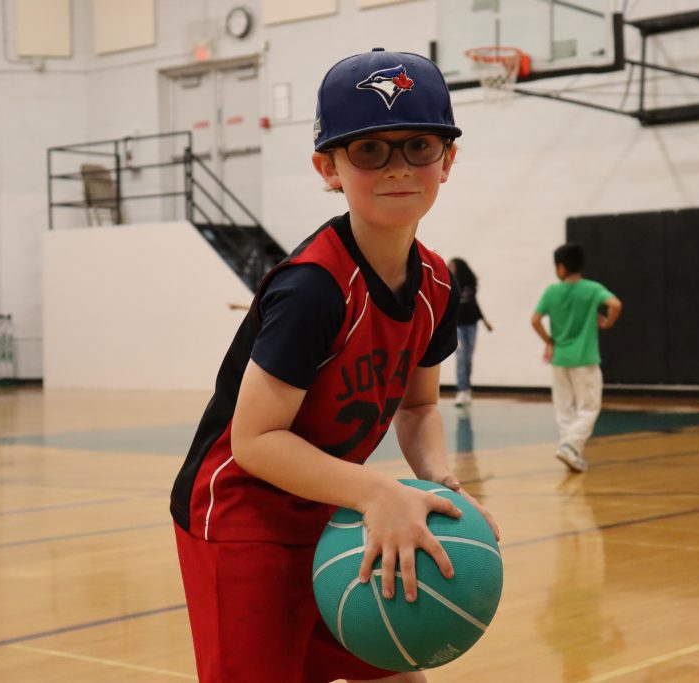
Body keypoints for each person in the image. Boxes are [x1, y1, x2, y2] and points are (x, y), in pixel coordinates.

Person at [170, 48, 499, 683]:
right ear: (328, 168)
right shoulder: (314, 288)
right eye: (369, 150)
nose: (398, 167)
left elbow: (419, 406)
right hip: (240, 513)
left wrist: (438, 479)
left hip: (329, 507)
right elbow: (255, 441)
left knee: (398, 669)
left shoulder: (437, 283)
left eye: (419, 146)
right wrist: (378, 490)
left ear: (448, 159)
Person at [531, 244, 622, 473]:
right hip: (585, 359)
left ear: (561, 267)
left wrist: (549, 341)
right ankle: (571, 447)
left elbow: (535, 320)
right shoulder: (592, 289)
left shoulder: (552, 292)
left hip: (560, 359)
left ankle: (570, 451)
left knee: (564, 410)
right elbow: (615, 304)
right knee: (588, 408)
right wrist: (608, 321)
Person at [448, 258, 492, 406]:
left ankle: (467, 388)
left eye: (452, 266)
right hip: (458, 325)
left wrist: (484, 321)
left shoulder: (469, 285)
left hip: (471, 324)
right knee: (461, 356)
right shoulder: (450, 284)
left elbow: (474, 303)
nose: (450, 269)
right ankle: (461, 390)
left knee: (468, 358)